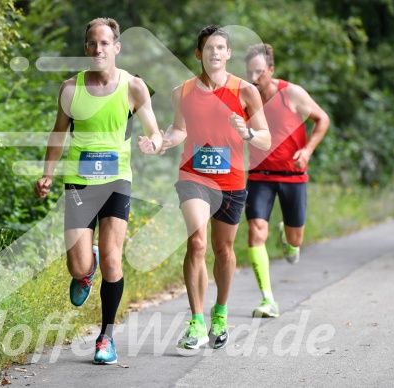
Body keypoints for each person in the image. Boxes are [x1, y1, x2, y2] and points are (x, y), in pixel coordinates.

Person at [34, 17, 162, 364]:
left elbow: (156, 131)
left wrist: (153, 142)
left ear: (116, 47)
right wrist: (47, 174)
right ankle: (85, 272)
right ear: (85, 48)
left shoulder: (134, 87)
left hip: (117, 181)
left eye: (105, 43)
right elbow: (58, 134)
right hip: (78, 182)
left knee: (112, 258)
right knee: (79, 267)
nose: (98, 49)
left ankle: (106, 337)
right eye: (92, 43)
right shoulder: (70, 89)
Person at [160, 26, 271, 350]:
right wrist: (164, 141)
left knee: (223, 250)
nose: (215, 53)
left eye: (221, 47)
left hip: (232, 180)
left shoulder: (245, 91)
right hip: (194, 176)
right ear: (199, 54)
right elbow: (179, 129)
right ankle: (196, 321)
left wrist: (247, 132)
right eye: (209, 48)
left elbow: (265, 137)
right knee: (196, 242)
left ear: (228, 54)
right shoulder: (182, 91)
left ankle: (219, 313)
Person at [244, 43, 330, 318]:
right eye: (250, 73)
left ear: (271, 70)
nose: (254, 78)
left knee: (295, 242)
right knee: (256, 230)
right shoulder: (245, 96)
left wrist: (307, 150)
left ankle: (288, 238)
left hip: (293, 176)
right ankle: (268, 299)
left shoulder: (290, 94)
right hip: (259, 175)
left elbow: (322, 119)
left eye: (259, 72)